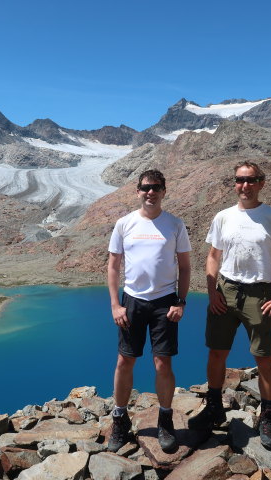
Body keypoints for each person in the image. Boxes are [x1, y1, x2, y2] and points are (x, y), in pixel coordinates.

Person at [189, 161, 271, 450]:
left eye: (251, 180)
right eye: (240, 180)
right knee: (217, 352)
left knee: (264, 357)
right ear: (234, 184)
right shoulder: (223, 217)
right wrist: (212, 291)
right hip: (225, 291)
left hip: (260, 294)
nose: (245, 185)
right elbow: (213, 255)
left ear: (261, 183)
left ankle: (268, 414)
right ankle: (215, 405)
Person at [107, 169, 191, 453]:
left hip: (164, 301)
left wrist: (181, 301)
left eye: (156, 187)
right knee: (124, 361)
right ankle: (119, 418)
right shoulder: (124, 224)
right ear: (138, 191)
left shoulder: (175, 225)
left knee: (162, 363)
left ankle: (165, 419)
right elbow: (113, 266)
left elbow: (185, 266)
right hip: (131, 301)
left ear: (164, 190)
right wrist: (116, 304)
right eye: (145, 188)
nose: (150, 192)